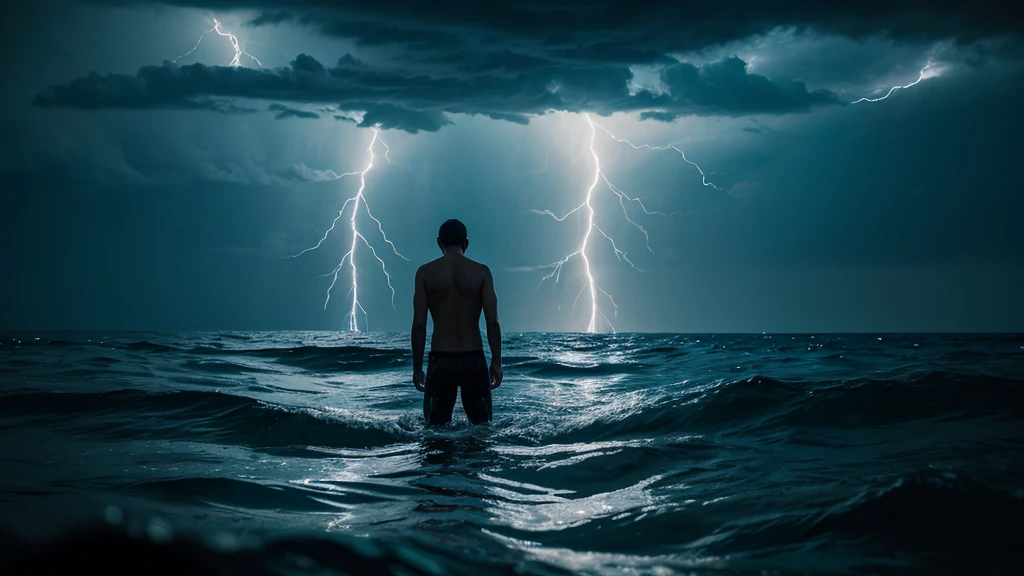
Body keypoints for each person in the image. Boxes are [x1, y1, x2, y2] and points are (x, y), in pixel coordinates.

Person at [411, 219, 502, 425]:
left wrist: (417, 368)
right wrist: (496, 361)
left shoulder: (425, 273)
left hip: (441, 361)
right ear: (466, 243)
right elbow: (493, 322)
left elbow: (419, 324)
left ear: (438, 242)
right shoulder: (481, 272)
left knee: (435, 433)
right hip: (474, 360)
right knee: (482, 431)